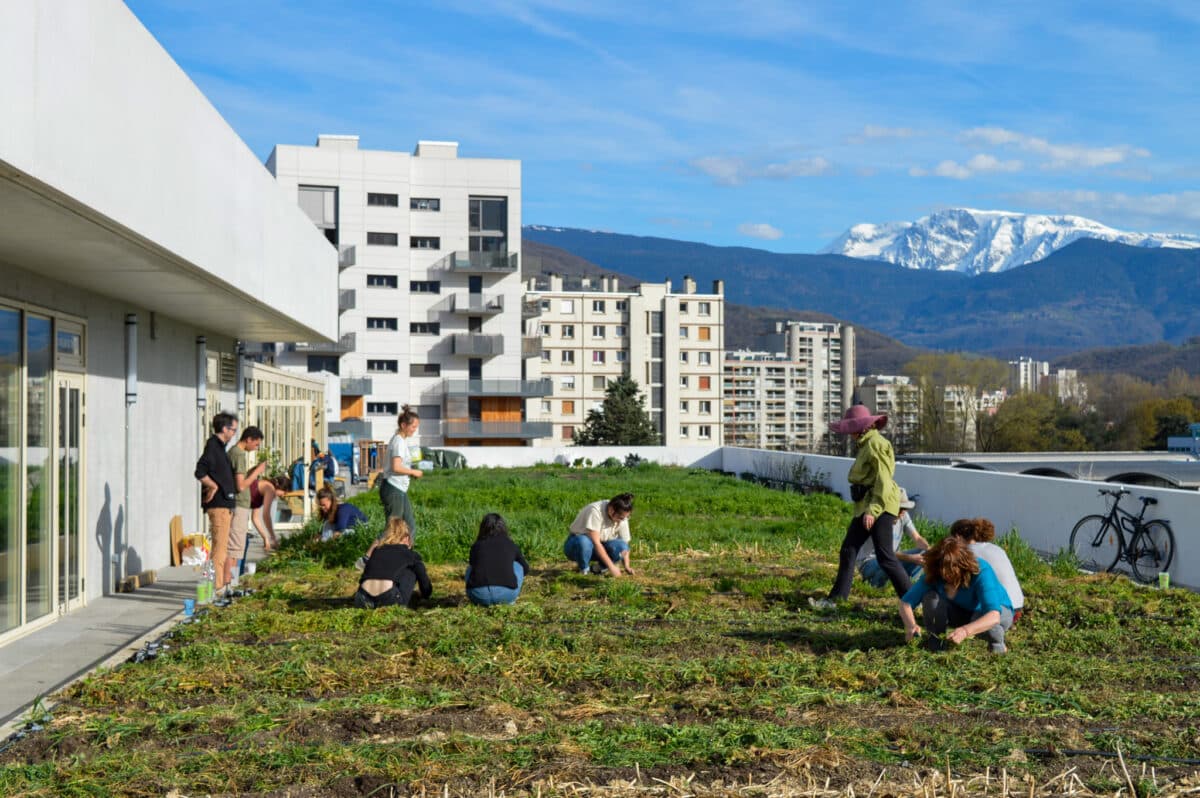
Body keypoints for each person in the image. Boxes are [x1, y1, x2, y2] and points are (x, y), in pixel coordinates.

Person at [812, 404, 910, 608]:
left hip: (879, 505)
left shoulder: (876, 444)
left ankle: (913, 599)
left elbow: (883, 481)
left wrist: (872, 511)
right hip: (867, 504)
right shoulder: (866, 444)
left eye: (850, 429)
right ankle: (836, 600)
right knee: (849, 550)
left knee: (885, 558)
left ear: (860, 428)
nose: (848, 434)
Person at [898, 535, 1014, 654]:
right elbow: (905, 603)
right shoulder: (935, 573)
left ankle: (997, 645)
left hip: (996, 612)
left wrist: (965, 631)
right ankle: (936, 641)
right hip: (962, 612)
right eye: (942, 571)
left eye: (951, 572)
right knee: (931, 598)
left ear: (963, 565)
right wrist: (911, 626)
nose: (946, 576)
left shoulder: (981, 571)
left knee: (984, 622)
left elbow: (993, 615)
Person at [949, 517, 1025, 623]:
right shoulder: (997, 549)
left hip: (997, 609)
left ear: (957, 537)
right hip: (1017, 605)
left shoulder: (966, 553)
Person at [194, 412, 239, 592]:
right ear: (224, 429)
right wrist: (212, 486)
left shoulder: (219, 448)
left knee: (221, 548)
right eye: (233, 430)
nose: (234, 433)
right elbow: (199, 471)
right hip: (219, 506)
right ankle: (216, 587)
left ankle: (215, 586)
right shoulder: (213, 447)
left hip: (225, 505)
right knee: (219, 550)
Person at [858, 488, 929, 589]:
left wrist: (929, 549)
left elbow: (917, 538)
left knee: (924, 553)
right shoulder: (880, 519)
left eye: (904, 509)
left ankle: (909, 584)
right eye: (899, 509)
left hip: (893, 559)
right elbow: (884, 553)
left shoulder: (903, 516)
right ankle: (876, 584)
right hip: (871, 562)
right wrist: (911, 558)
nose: (901, 513)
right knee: (891, 562)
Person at [354, 518, 431, 609]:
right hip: (387, 599)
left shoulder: (377, 550)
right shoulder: (410, 555)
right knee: (411, 571)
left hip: (362, 597)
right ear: (406, 538)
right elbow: (424, 580)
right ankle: (401, 605)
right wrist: (425, 594)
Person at [227, 426, 268, 585]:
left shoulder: (233, 453)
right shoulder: (238, 455)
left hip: (238, 505)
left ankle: (230, 583)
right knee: (236, 549)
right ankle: (231, 584)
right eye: (256, 444)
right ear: (249, 439)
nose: (256, 448)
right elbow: (241, 486)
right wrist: (257, 471)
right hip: (239, 505)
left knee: (235, 547)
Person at [465, 513, 530, 606]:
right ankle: (508, 601)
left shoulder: (476, 546)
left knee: (470, 569)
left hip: (478, 596)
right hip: (506, 595)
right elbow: (526, 569)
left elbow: (473, 565)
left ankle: (481, 601)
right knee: (517, 565)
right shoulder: (510, 544)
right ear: (503, 527)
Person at [564, 493, 635, 577]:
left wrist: (627, 566)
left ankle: (597, 569)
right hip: (576, 546)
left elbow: (625, 545)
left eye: (625, 518)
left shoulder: (622, 516)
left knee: (621, 546)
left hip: (601, 546)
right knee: (583, 542)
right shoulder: (595, 511)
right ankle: (584, 570)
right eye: (620, 518)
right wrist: (612, 567)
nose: (622, 521)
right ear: (612, 510)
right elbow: (596, 543)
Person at [380, 405, 422, 536]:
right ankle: (369, 556)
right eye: (413, 427)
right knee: (392, 528)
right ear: (404, 425)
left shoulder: (400, 440)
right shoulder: (398, 442)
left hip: (398, 488)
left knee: (409, 526)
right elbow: (396, 467)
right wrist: (413, 472)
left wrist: (409, 471)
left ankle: (406, 554)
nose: (415, 430)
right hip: (394, 488)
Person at [249, 475, 290, 554]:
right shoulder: (270, 488)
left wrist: (265, 538)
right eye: (284, 493)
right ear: (279, 487)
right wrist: (273, 537)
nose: (282, 496)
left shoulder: (264, 487)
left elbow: (255, 518)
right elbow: (266, 515)